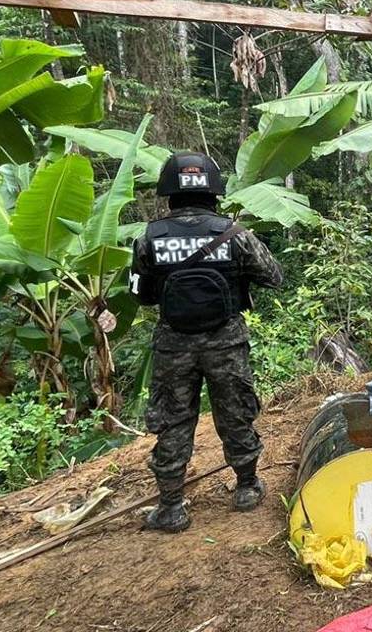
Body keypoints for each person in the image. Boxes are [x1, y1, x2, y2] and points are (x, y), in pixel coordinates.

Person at [129, 152, 283, 532]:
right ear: (214, 189)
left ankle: (171, 507)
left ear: (168, 191)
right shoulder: (234, 234)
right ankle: (246, 487)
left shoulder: (149, 238)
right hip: (225, 341)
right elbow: (273, 276)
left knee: (173, 420)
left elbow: (142, 296)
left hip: (173, 344)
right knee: (234, 412)